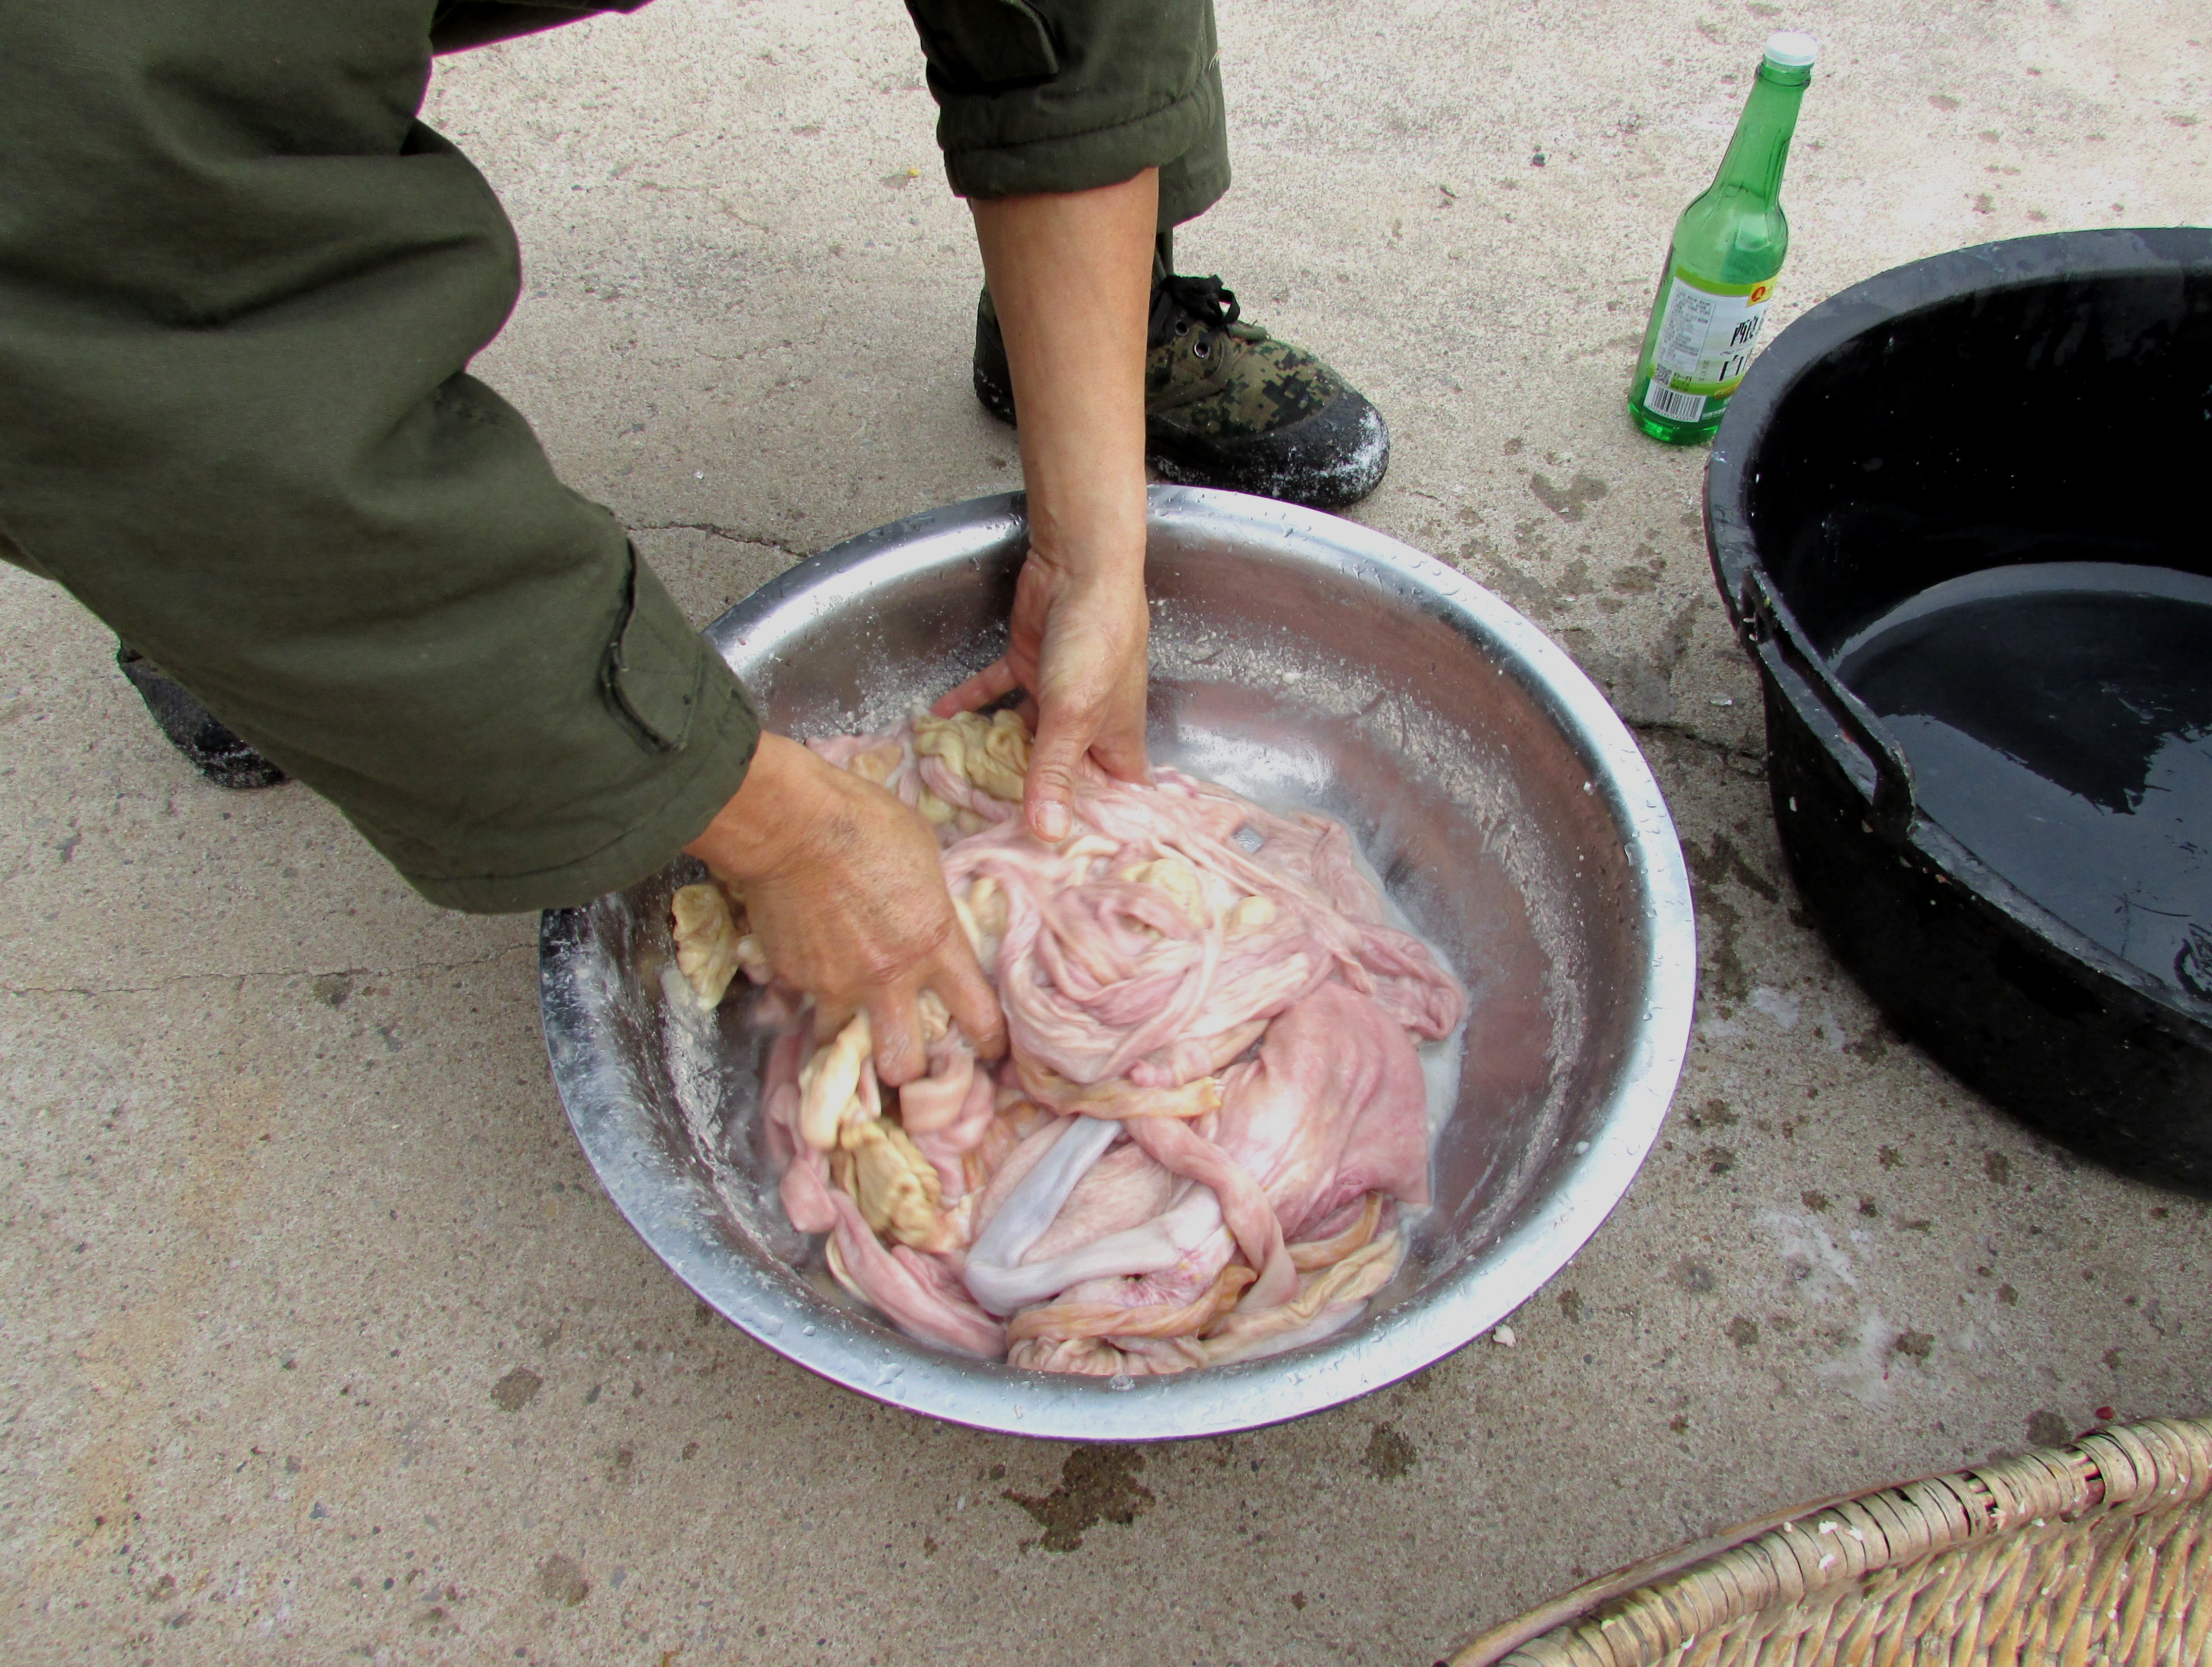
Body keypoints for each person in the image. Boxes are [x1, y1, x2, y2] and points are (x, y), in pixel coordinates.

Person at [0, 1, 1392, 1086]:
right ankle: (238, 593)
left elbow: (1080, 31)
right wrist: (789, 834)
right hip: (87, 179)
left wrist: (1094, 546)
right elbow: (98, 251)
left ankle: (1094, 326)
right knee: (184, 433)